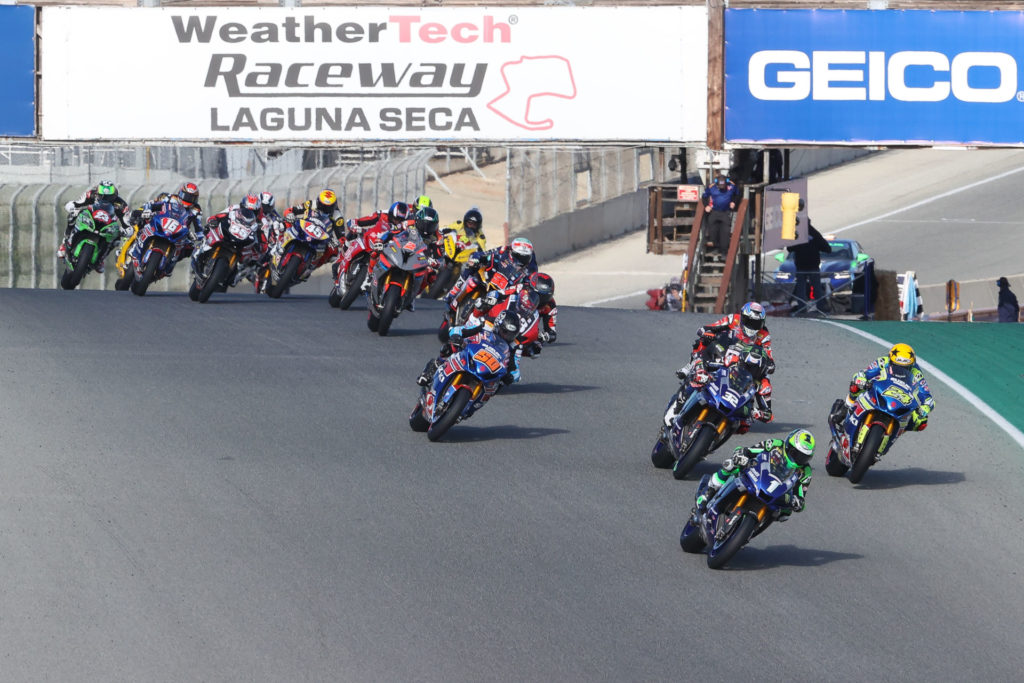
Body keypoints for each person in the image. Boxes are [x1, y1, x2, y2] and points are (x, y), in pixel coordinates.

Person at [665, 302, 774, 428]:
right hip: (724, 352)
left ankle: (756, 408)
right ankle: (691, 366)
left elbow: (768, 355)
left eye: (756, 323)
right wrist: (706, 332)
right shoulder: (733, 319)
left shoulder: (764, 334)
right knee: (703, 342)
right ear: (742, 317)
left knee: (764, 377)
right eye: (749, 321)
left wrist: (770, 365)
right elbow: (709, 328)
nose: (752, 326)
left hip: (744, 363)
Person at [693, 429, 815, 523]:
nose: (799, 459)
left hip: (778, 492)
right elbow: (750, 451)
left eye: (804, 457)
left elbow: (801, 495)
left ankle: (751, 530)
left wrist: (798, 502)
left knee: (785, 514)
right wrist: (743, 455)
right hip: (757, 474)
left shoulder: (806, 471)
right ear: (789, 446)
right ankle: (709, 492)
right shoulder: (775, 444)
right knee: (732, 463)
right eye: (796, 454)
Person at [828, 343, 935, 432]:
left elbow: (928, 398)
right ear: (891, 360)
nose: (901, 370)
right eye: (896, 366)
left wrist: (925, 408)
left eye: (906, 368)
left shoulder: (916, 373)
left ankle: (894, 434)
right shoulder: (883, 362)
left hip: (900, 400)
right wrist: (861, 380)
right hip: (878, 391)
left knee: (921, 422)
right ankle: (846, 408)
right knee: (856, 386)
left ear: (912, 365)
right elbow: (863, 374)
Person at [417, 309, 523, 388]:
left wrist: (512, 377)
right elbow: (463, 329)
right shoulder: (486, 323)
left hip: (491, 367)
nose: (507, 337)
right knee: (449, 347)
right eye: (505, 332)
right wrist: (456, 335)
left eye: (511, 335)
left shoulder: (516, 344)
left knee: (498, 386)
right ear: (498, 325)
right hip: (471, 349)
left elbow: (516, 369)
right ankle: (432, 369)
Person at [444, 237, 538, 312]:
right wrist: (477, 259)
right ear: (511, 251)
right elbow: (484, 254)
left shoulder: (532, 267)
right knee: (471, 265)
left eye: (524, 258)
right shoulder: (504, 249)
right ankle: (453, 292)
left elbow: (531, 286)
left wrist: (523, 288)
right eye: (518, 256)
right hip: (492, 277)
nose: (520, 261)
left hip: (507, 291)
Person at [58, 181, 130, 263]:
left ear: (115, 195)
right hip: (91, 218)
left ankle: (101, 259)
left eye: (109, 197)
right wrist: (72, 208)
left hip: (108, 225)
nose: (105, 199)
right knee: (72, 216)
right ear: (97, 193)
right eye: (102, 196)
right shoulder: (91, 194)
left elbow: (127, 223)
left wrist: (125, 230)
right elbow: (77, 203)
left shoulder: (121, 204)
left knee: (116, 238)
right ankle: (65, 242)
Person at [786, 219, 832, 314]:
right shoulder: (814, 233)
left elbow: (789, 248)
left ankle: (802, 309)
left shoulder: (798, 234)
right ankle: (820, 309)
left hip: (802, 266)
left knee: (801, 289)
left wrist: (798, 244)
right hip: (812, 266)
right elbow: (827, 248)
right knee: (816, 289)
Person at [701, 172, 738, 255]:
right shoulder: (712, 187)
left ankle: (724, 252)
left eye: (723, 186)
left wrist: (734, 202)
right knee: (713, 231)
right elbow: (704, 196)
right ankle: (716, 247)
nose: (722, 188)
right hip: (714, 212)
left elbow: (737, 195)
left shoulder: (731, 186)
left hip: (725, 212)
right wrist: (706, 205)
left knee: (725, 232)